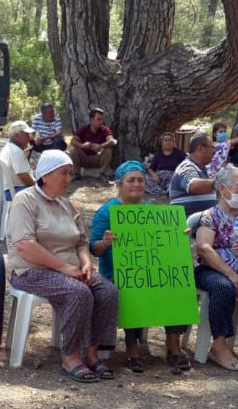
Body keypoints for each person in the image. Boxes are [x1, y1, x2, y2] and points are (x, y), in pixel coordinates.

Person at [6, 150, 118, 382]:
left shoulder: (66, 205)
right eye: (64, 173)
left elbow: (80, 242)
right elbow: (25, 245)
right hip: (31, 270)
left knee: (107, 292)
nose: (69, 179)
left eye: (70, 173)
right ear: (45, 175)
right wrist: (65, 268)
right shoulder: (25, 200)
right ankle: (70, 357)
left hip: (70, 269)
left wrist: (86, 264)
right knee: (78, 293)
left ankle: (92, 352)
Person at [89, 161, 190, 372]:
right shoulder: (106, 212)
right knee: (133, 286)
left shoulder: (153, 211)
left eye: (140, 180)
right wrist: (105, 243)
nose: (136, 184)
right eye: (131, 180)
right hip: (117, 272)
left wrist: (178, 237)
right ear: (119, 184)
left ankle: (173, 343)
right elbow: (93, 248)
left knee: (175, 283)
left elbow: (165, 247)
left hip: (152, 269)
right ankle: (132, 347)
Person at [193, 164, 238, 371]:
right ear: (222, 189)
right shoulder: (210, 216)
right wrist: (232, 275)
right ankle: (218, 346)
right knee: (223, 287)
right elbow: (203, 248)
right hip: (211, 271)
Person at [169, 134, 217, 215]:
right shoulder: (187, 167)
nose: (214, 151)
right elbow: (193, 185)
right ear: (200, 149)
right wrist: (223, 182)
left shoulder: (201, 169)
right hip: (188, 224)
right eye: (212, 147)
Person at [69, 108, 117, 180]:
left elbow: (112, 141)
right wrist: (82, 145)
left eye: (102, 119)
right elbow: (73, 141)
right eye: (98, 119)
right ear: (91, 120)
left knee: (108, 150)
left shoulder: (104, 129)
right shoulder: (84, 129)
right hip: (84, 157)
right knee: (73, 149)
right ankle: (76, 173)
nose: (101, 122)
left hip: (97, 158)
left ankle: (102, 173)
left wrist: (100, 146)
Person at [0, 120, 36, 198]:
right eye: (26, 135)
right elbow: (23, 175)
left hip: (10, 189)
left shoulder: (9, 147)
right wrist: (37, 187)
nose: (29, 138)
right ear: (16, 136)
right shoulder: (16, 151)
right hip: (14, 191)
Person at [145, 132, 186, 197]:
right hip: (160, 179)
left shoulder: (180, 154)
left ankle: (168, 191)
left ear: (173, 142)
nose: (168, 142)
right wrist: (154, 176)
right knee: (145, 178)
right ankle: (162, 192)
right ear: (162, 143)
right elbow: (151, 169)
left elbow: (185, 167)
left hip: (173, 179)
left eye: (170, 140)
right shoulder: (158, 155)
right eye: (165, 140)